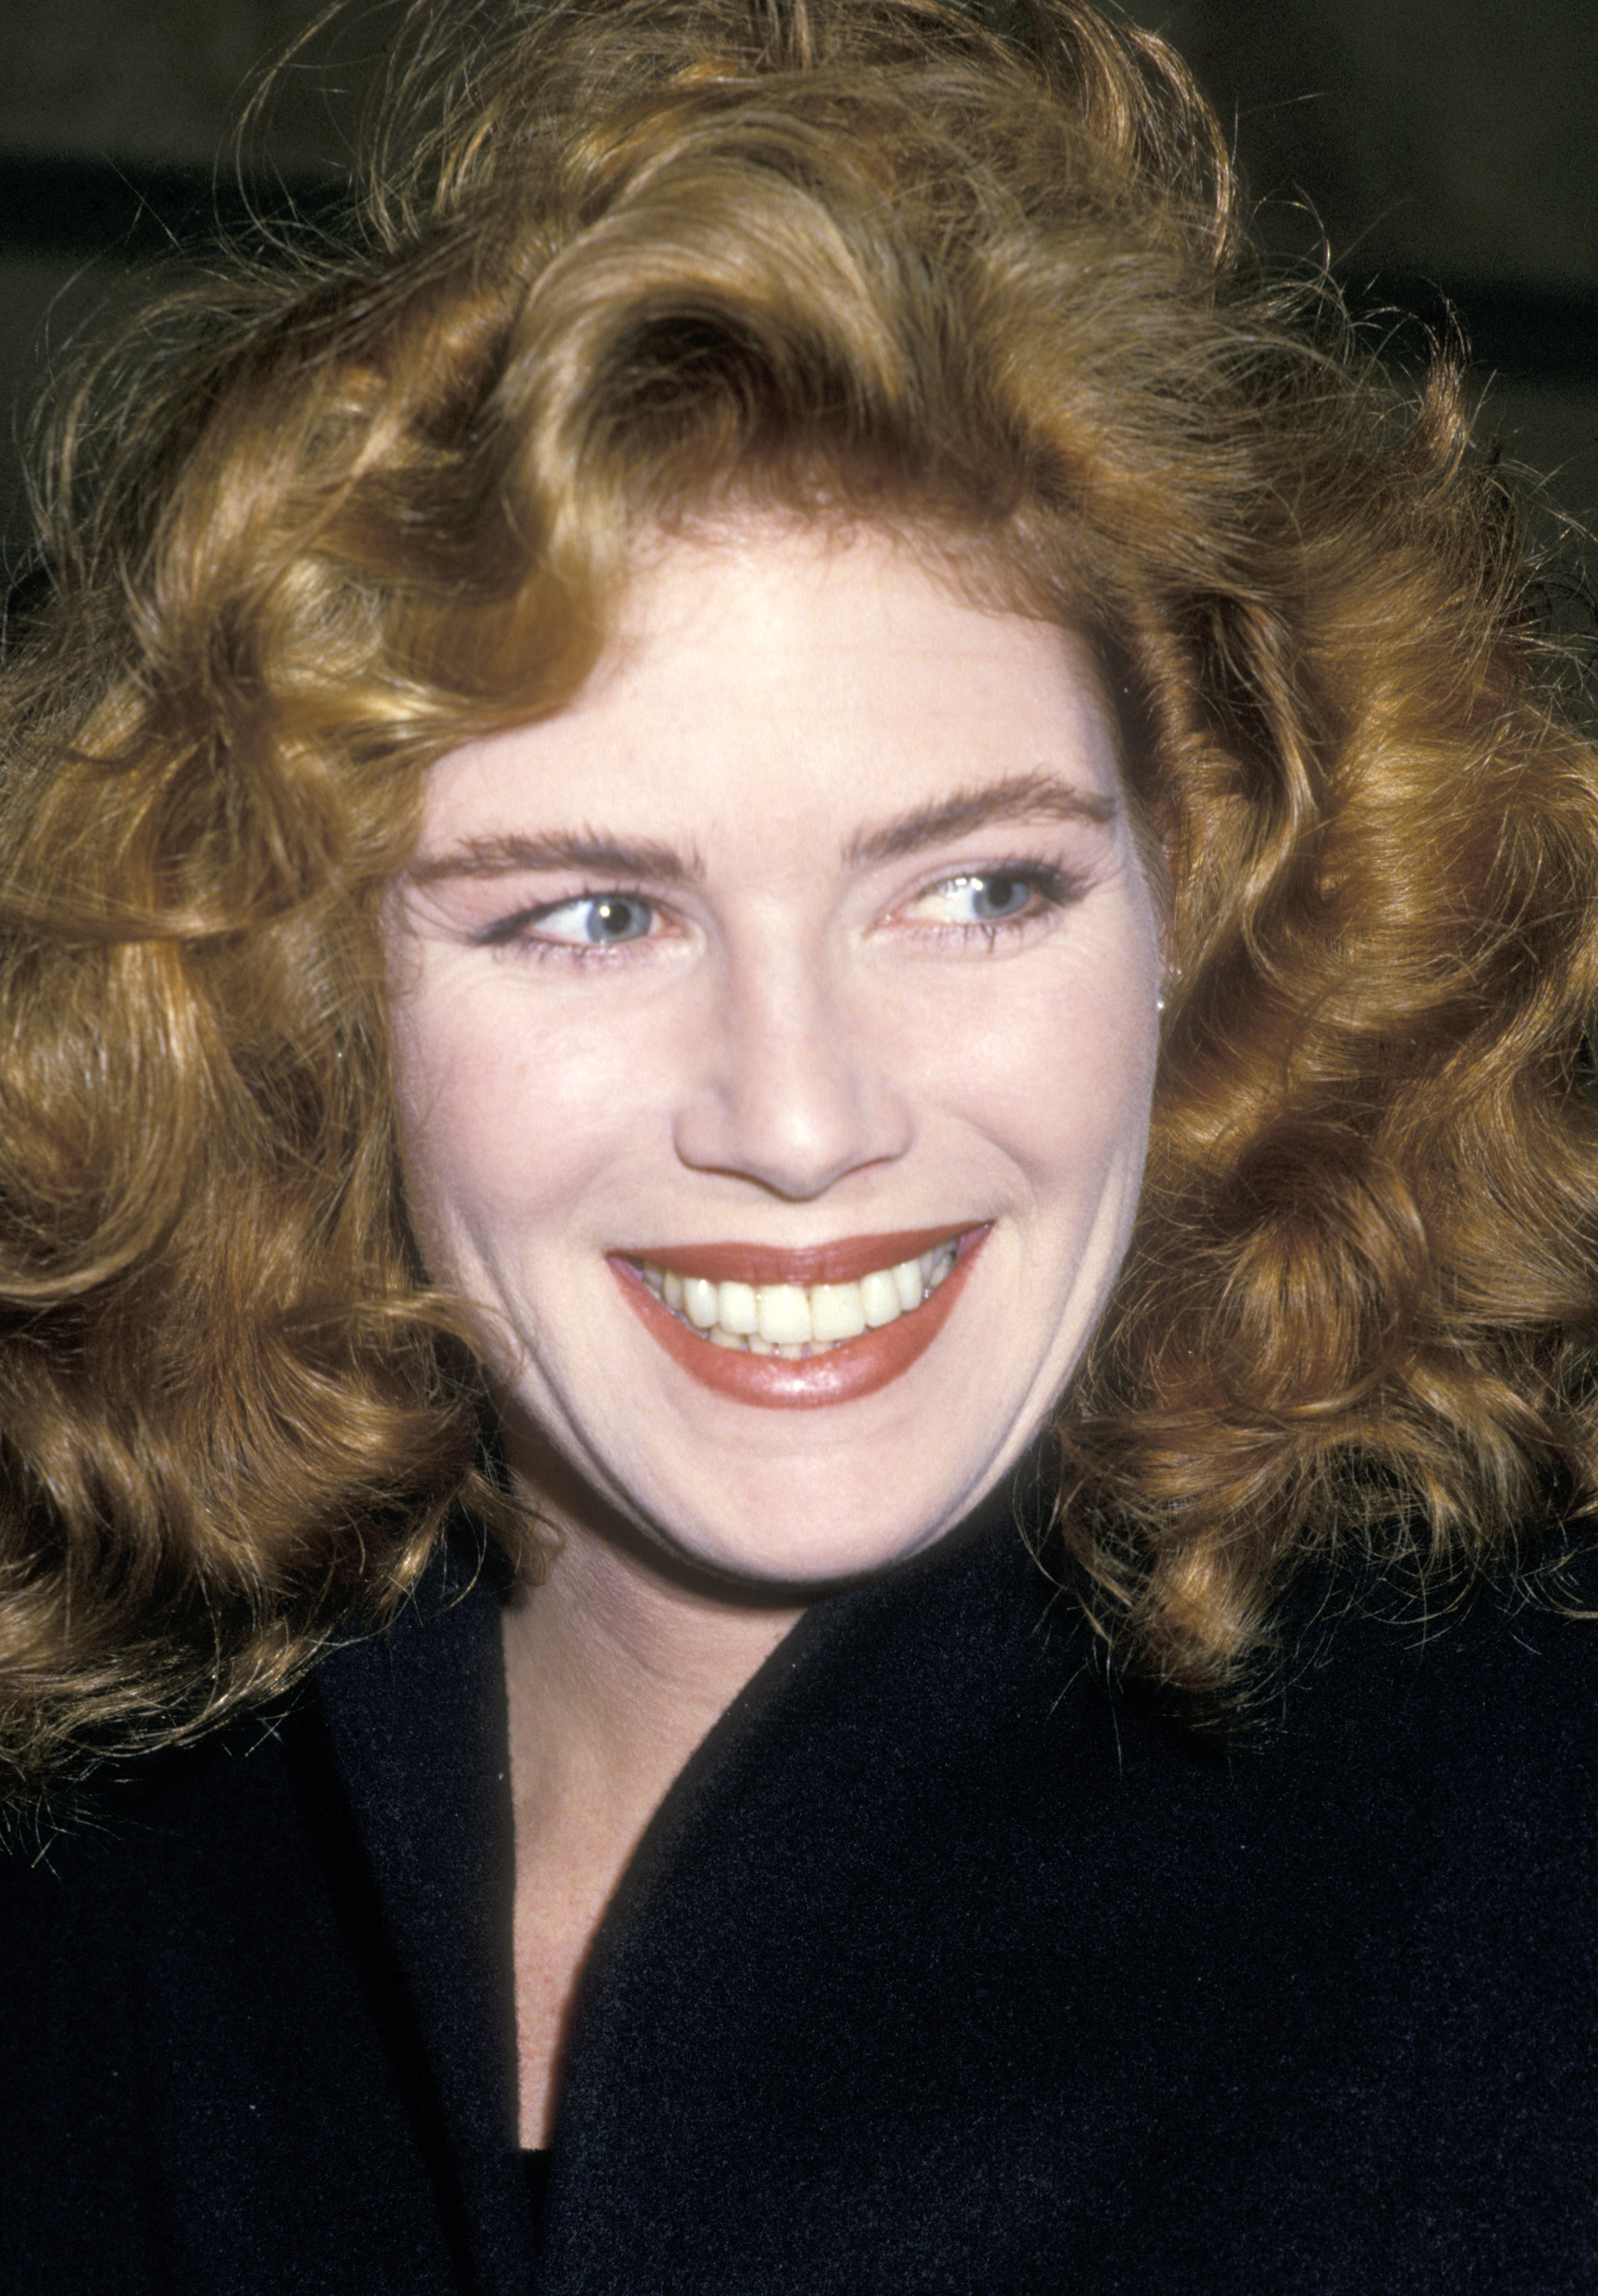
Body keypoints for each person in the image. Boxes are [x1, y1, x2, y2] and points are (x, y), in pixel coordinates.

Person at [2, 0, 1596, 2288]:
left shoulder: (1528, 1865)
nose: (803, 1115)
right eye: (588, 912)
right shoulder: (99, 1891)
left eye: (974, 889)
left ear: (1212, 905)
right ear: (306, 994)